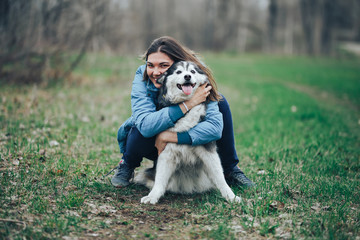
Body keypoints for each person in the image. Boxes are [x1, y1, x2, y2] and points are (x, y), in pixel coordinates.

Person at [111, 36, 254, 188]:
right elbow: (146, 125)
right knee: (140, 128)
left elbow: (215, 128)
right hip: (152, 142)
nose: (155, 72)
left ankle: (230, 169)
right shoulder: (142, 76)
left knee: (221, 101)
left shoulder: (196, 76)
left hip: (187, 142)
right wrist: (188, 104)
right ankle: (127, 164)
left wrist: (170, 137)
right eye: (150, 65)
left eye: (163, 65)